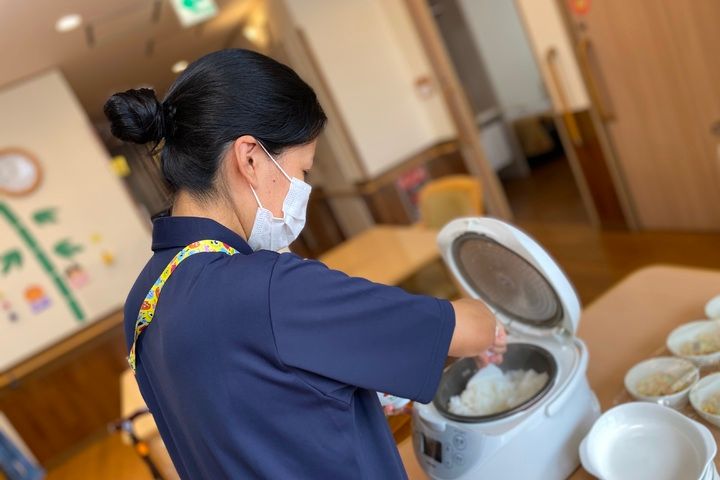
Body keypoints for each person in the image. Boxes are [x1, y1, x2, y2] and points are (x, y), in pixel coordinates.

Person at [105, 49, 506, 479]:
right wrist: (487, 317)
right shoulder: (268, 289)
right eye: (303, 170)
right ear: (250, 158)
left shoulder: (144, 302)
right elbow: (470, 329)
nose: (302, 188)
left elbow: (251, 413)